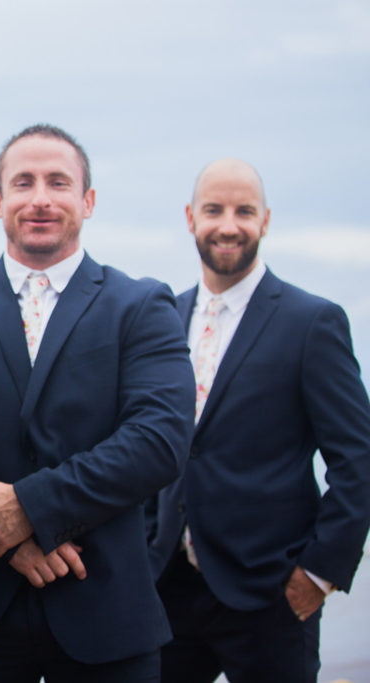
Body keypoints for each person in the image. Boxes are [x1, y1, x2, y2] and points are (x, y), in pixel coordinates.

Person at [0, 124, 195, 682]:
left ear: (86, 201)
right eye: (23, 182)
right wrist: (0, 535)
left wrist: (32, 508)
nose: (40, 198)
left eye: (58, 183)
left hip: (106, 612)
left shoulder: (140, 305)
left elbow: (159, 440)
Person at [148, 158, 370, 683]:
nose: (229, 224)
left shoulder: (313, 322)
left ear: (265, 220)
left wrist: (318, 575)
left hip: (271, 593)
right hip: (166, 589)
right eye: (214, 210)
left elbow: (358, 459)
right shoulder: (162, 317)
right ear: (190, 218)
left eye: (244, 211)